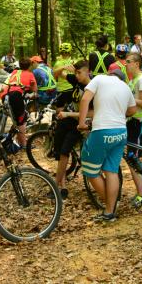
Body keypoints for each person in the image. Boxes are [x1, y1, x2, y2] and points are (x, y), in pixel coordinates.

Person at [77, 65, 137, 222]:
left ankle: (110, 205)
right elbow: (132, 111)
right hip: (121, 132)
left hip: (102, 131)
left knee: (90, 170)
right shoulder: (125, 87)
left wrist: (81, 123)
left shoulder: (99, 79)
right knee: (111, 171)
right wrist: (118, 111)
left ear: (109, 74)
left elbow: (85, 99)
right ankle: (110, 212)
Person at [50, 60, 88, 199]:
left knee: (64, 152)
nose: (77, 75)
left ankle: (55, 186)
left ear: (88, 72)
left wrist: (68, 114)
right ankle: (62, 185)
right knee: (60, 153)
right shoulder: (76, 80)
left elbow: (89, 114)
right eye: (75, 72)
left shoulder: (91, 88)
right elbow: (55, 74)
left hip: (77, 124)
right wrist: (63, 67)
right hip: (65, 121)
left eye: (79, 73)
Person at [123, 53, 142, 206]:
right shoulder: (133, 80)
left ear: (136, 63)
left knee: (133, 158)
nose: (125, 64)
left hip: (139, 122)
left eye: (128, 61)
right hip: (132, 122)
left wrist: (126, 98)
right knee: (132, 158)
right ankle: (141, 191)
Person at [0, 58, 37, 148]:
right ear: (30, 66)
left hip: (5, 95)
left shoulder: (15, 72)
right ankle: (23, 145)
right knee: (21, 121)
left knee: (16, 119)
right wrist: (32, 94)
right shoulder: (30, 74)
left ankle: (14, 139)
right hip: (15, 96)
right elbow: (35, 90)